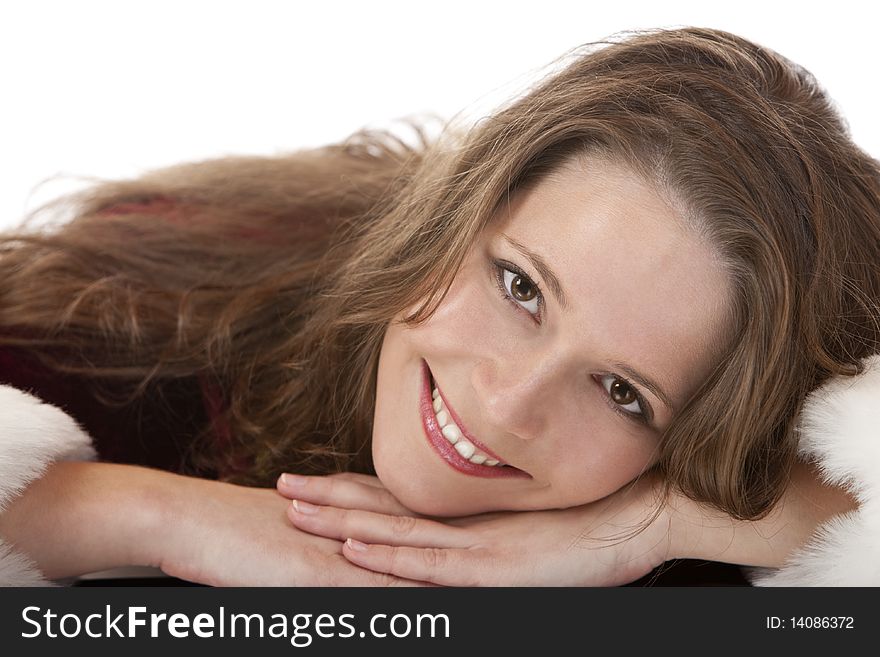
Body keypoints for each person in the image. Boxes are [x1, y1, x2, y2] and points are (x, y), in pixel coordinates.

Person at [0, 26, 877, 587]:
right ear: (456, 211)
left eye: (622, 392)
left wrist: (641, 528)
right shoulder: (142, 310)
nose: (505, 404)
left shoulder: (696, 528)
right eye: (521, 287)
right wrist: (159, 515)